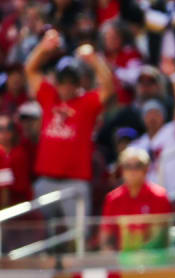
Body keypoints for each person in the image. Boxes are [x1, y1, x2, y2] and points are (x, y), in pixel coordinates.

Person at [25, 30, 113, 221]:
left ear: (78, 83)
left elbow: (108, 87)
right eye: (62, 82)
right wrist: (43, 48)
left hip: (75, 182)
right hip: (46, 180)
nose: (66, 86)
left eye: (71, 82)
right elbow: (30, 70)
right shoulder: (49, 97)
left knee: (78, 239)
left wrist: (94, 59)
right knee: (41, 235)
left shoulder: (86, 103)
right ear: (56, 82)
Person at [100, 147, 172, 251]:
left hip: (152, 261)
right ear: (122, 170)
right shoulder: (113, 199)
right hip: (121, 262)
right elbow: (106, 237)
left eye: (138, 166)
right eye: (127, 166)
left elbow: (160, 238)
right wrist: (110, 255)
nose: (132, 171)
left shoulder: (160, 196)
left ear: (146, 169)